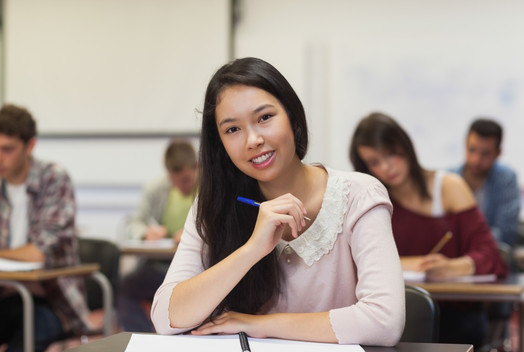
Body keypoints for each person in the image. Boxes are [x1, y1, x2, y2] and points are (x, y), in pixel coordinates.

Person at [151, 57, 405, 345]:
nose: (253, 140)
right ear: (220, 144)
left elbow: (385, 321)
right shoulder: (212, 206)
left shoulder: (360, 194)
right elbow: (165, 317)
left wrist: (259, 325)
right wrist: (251, 250)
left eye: (264, 118)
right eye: (232, 129)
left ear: (293, 118)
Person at [349, 111, 508, 349]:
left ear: (405, 146)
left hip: (458, 317)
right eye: (374, 162)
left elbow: (491, 255)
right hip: (392, 319)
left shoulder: (449, 187)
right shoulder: (369, 198)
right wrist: (415, 263)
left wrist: (455, 266)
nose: (386, 167)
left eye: (391, 154)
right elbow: (352, 262)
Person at [0, 104, 90, 352]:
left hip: (52, 302)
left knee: (26, 339)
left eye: (7, 150)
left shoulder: (54, 179)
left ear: (30, 146)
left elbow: (37, 254)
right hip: (0, 296)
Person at [117, 139, 198, 332]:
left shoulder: (212, 187)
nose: (182, 185)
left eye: (186, 179)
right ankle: (146, 338)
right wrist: (145, 232)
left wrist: (193, 234)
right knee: (125, 288)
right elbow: (133, 222)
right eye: (175, 180)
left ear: (197, 167)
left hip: (195, 265)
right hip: (161, 264)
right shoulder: (155, 188)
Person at [453, 118, 521, 248]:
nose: (476, 159)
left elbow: (506, 233)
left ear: (498, 153)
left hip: (489, 256)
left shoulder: (506, 179)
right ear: (464, 145)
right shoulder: (449, 178)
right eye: (472, 150)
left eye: (485, 154)